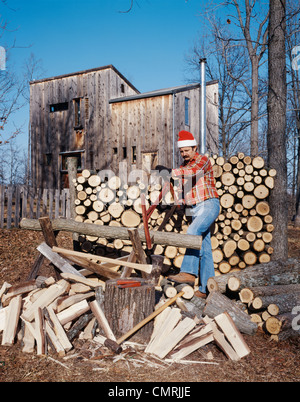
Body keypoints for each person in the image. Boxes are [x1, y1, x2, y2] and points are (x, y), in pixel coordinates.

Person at [167, 130, 220, 298]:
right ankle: (207, 289)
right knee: (205, 250)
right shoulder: (182, 167)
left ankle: (188, 272)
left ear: (194, 148)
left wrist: (172, 171)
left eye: (187, 150)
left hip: (209, 204)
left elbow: (192, 172)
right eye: (182, 151)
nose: (184, 154)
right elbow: (181, 188)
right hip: (195, 209)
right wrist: (179, 199)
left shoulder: (202, 160)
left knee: (192, 233)